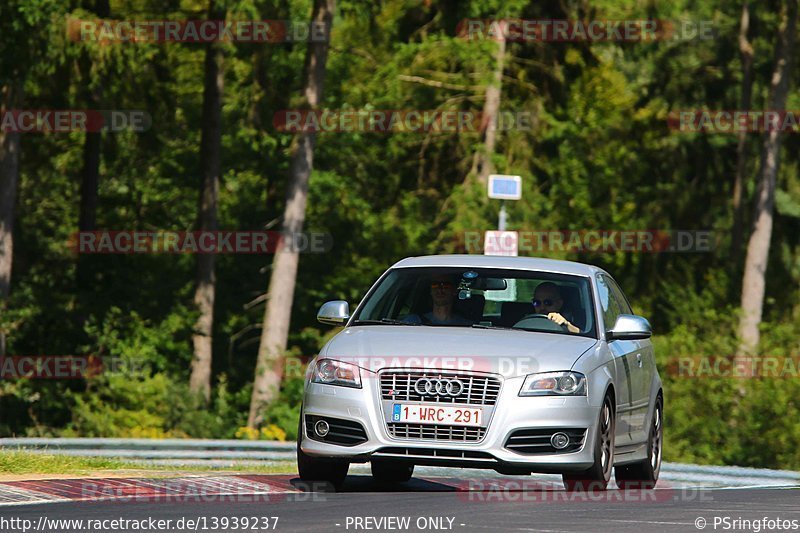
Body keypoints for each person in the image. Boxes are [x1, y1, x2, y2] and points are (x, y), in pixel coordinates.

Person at [403, 275, 473, 326]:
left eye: (445, 285)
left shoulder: (467, 326)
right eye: (435, 285)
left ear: (454, 291)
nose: (440, 290)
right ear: (430, 291)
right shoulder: (412, 322)